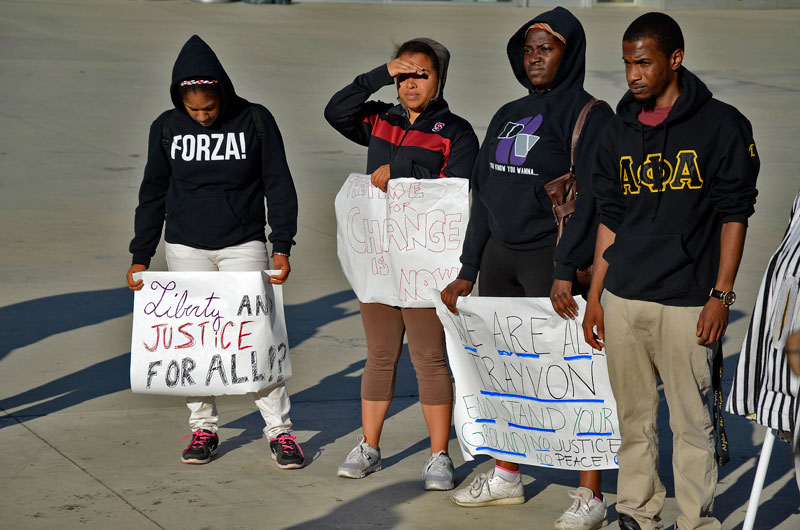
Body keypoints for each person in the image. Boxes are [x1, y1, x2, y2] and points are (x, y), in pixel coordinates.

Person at [582, 12, 759, 530]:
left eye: (643, 62)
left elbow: (734, 213)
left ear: (674, 60)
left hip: (687, 300)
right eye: (626, 64)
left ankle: (696, 520)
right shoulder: (617, 130)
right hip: (625, 297)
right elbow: (609, 219)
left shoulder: (721, 125)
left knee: (692, 423)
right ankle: (636, 511)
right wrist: (597, 294)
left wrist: (720, 296)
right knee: (633, 420)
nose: (632, 74)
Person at [440, 7, 613, 530]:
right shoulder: (507, 112)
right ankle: (507, 474)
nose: (534, 56)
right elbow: (484, 194)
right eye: (529, 48)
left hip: (550, 261)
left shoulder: (590, 114)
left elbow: (593, 204)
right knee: (504, 372)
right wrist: (468, 268)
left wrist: (566, 268)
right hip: (499, 258)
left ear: (571, 52)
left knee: (576, 377)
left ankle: (590, 494)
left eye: (547, 47)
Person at [126, 35, 304, 469]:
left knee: (257, 335)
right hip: (185, 245)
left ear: (222, 92)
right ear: (180, 101)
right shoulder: (166, 127)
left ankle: (280, 432)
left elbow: (278, 183)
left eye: (209, 107)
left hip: (242, 243)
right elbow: (152, 193)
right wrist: (140, 254)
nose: (203, 117)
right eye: (194, 110)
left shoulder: (255, 120)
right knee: (193, 339)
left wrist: (281, 243)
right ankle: (203, 427)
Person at [324, 38, 479, 490]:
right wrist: (378, 73)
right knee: (379, 355)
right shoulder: (380, 119)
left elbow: (458, 192)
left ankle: (438, 456)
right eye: (404, 75)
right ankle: (369, 446)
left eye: (421, 75)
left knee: (429, 359)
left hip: (425, 263)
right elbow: (336, 111)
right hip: (379, 260)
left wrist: (407, 173)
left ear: (439, 80)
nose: (411, 84)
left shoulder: (457, 131)